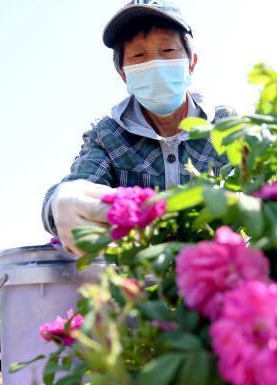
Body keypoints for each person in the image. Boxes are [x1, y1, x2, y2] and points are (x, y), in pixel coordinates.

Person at [41, 0, 236, 256]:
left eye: (167, 50)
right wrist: (61, 202)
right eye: (138, 56)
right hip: (136, 282)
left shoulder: (226, 127)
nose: (155, 63)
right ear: (123, 73)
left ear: (191, 62)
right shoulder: (107, 134)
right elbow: (78, 188)